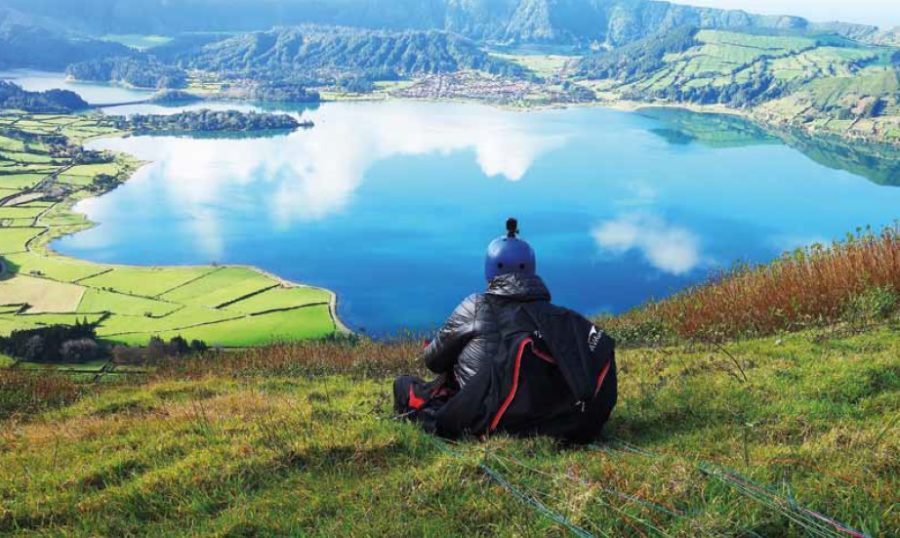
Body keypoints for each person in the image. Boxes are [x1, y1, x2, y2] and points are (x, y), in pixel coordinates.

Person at [394, 218, 617, 442]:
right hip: (547, 417)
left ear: (490, 269)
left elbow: (433, 362)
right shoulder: (553, 317)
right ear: (531, 269)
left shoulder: (475, 306)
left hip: (487, 415)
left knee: (403, 385)